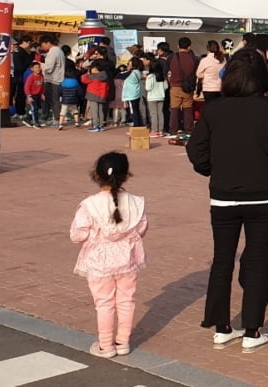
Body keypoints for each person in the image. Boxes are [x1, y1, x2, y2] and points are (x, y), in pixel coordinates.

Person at [186, 49, 268, 353]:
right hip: (263, 197)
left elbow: (196, 152)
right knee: (257, 260)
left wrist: (215, 170)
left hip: (224, 195)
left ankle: (222, 327)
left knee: (222, 260)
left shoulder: (214, 111)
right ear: (262, 78)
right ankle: (252, 329)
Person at [69, 152, 148, 358]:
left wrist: (92, 236)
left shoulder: (89, 204)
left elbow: (77, 235)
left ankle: (106, 345)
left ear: (97, 176)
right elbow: (141, 229)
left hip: (99, 261)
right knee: (126, 300)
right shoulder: (137, 202)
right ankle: (123, 342)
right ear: (126, 176)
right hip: (128, 258)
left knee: (104, 302)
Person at [167, 37, 199, 136]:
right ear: (189, 47)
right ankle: (188, 129)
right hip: (188, 87)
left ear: (178, 46)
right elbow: (197, 72)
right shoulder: (194, 58)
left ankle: (173, 130)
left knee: (174, 109)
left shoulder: (172, 57)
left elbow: (166, 71)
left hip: (175, 86)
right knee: (188, 108)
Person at [39, 35, 65, 123]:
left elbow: (48, 68)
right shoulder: (59, 50)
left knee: (53, 100)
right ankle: (53, 118)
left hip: (53, 80)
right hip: (58, 78)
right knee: (53, 99)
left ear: (48, 43)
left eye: (42, 44)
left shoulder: (53, 52)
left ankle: (56, 119)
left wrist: (39, 65)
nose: (42, 47)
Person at [82, 65, 110, 133]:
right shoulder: (105, 77)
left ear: (96, 69)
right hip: (101, 96)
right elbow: (107, 88)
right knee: (100, 111)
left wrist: (87, 74)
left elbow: (83, 80)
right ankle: (101, 126)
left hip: (92, 95)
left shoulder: (92, 76)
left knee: (94, 111)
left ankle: (95, 126)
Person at [11, 35, 35, 116]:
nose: (29, 45)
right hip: (20, 76)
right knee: (20, 94)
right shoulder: (20, 51)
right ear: (24, 42)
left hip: (18, 75)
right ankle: (19, 111)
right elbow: (22, 64)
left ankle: (18, 110)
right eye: (29, 43)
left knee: (18, 94)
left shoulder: (19, 51)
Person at [144, 62, 166, 136]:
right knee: (160, 113)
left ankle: (154, 130)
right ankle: (161, 130)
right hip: (161, 96)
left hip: (152, 97)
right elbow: (166, 87)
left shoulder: (150, 76)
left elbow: (148, 88)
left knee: (153, 114)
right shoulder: (162, 76)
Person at [121, 60, 145, 128]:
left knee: (133, 111)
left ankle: (136, 126)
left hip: (131, 94)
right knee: (136, 110)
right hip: (136, 93)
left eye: (129, 64)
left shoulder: (130, 73)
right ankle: (140, 125)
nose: (128, 65)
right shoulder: (138, 72)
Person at [23, 62, 45, 128]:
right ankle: (36, 122)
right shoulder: (31, 77)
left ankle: (27, 119)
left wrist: (42, 94)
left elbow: (42, 86)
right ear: (32, 69)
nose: (38, 69)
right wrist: (29, 96)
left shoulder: (41, 76)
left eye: (38, 67)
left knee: (35, 108)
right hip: (32, 95)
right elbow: (27, 87)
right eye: (36, 68)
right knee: (34, 108)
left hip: (38, 95)